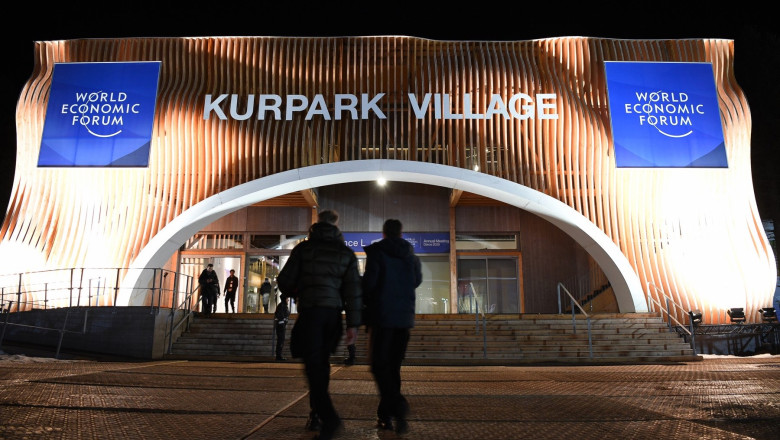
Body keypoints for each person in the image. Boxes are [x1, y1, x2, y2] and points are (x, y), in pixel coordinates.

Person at [277, 210, 362, 440]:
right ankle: (322, 416)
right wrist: (353, 325)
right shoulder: (345, 253)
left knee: (313, 366)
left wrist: (297, 291)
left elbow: (284, 280)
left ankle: (325, 416)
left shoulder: (303, 249)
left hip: (311, 313)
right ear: (336, 225)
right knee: (321, 365)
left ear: (316, 225)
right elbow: (354, 292)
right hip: (332, 317)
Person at [362, 219, 422, 435]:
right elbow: (417, 281)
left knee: (379, 366)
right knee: (393, 368)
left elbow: (369, 284)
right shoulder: (411, 257)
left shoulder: (378, 253)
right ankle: (385, 414)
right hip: (403, 320)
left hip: (382, 319)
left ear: (384, 233)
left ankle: (398, 407)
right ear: (401, 233)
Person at [274, 294, 291, 360]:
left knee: (281, 340)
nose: (288, 300)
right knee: (280, 340)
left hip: (281, 325)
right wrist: (283, 321)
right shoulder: (282, 306)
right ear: (284, 299)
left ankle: (279, 355)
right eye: (287, 298)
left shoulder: (282, 306)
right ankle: (278, 356)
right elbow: (279, 315)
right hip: (281, 326)